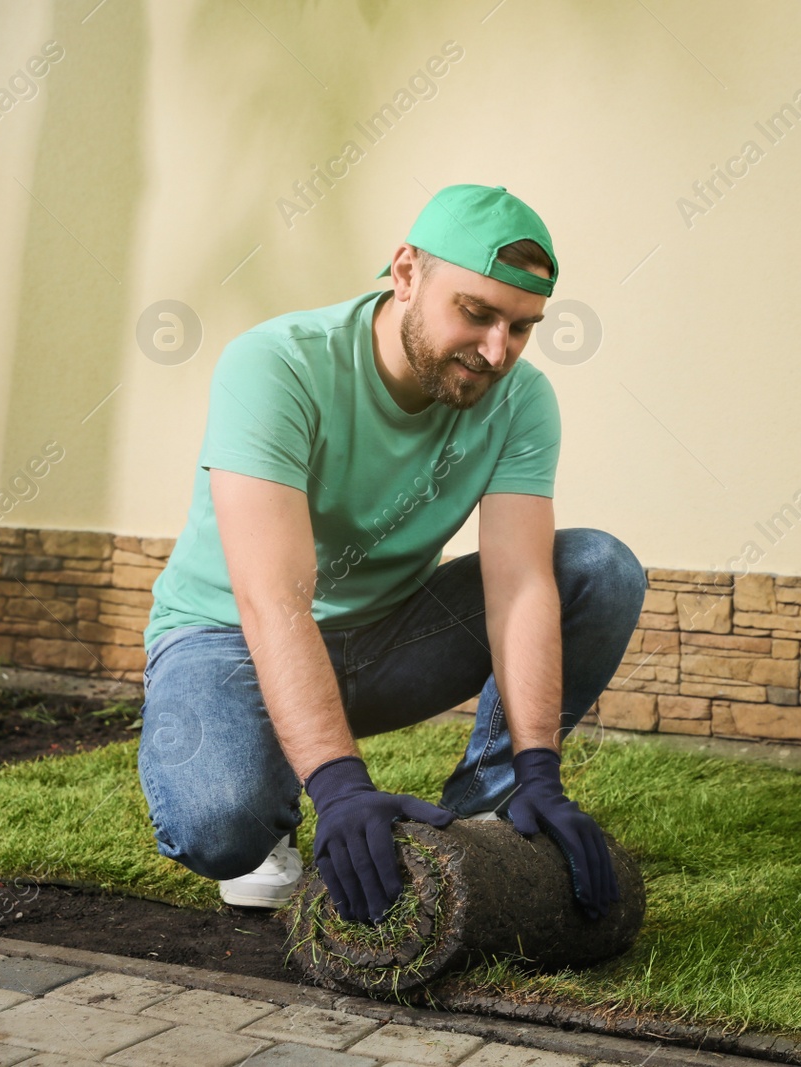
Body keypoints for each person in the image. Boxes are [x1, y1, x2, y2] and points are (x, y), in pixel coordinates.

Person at [137, 184, 644, 924]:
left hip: (389, 638)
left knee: (599, 569)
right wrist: (339, 784)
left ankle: (485, 819)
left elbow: (523, 584)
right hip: (231, 641)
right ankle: (279, 791)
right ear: (406, 273)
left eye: (522, 327)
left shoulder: (520, 401)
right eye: (475, 313)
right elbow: (272, 599)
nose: (497, 351)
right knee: (219, 829)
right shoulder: (276, 367)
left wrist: (538, 765)